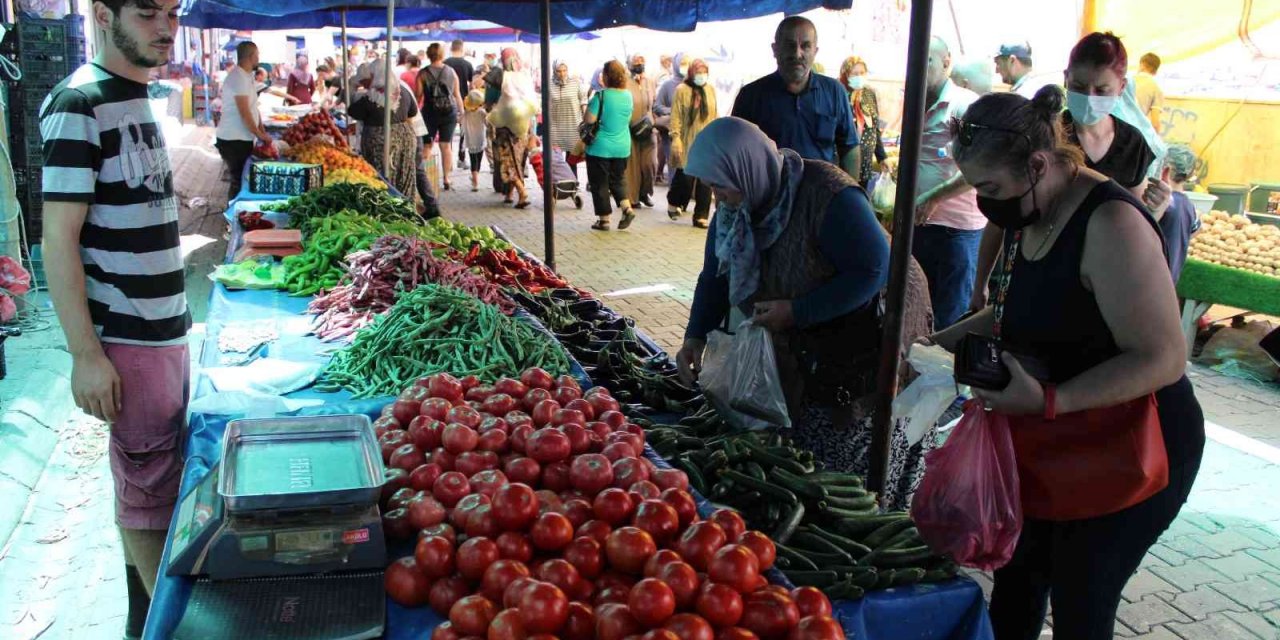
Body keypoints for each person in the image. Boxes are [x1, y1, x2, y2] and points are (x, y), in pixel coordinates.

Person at [932, 86, 1203, 640]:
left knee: (1084, 596)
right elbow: (1010, 312)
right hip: (1063, 438)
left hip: (1140, 446)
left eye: (990, 187)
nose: (986, 202)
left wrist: (1053, 400)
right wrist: (929, 347)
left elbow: (1165, 357)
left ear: (1037, 163)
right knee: (1018, 580)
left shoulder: (1110, 225)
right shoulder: (1034, 207)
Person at [675, 118, 936, 509]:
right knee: (805, 426)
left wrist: (799, 311)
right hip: (810, 332)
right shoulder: (736, 207)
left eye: (718, 185)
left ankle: (869, 513)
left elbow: (872, 269)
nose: (716, 197)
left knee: (854, 433)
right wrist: (694, 335)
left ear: (746, 167)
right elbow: (713, 275)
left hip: (873, 320)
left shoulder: (829, 195)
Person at [40, 2, 187, 637]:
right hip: (127, 334)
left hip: (166, 325)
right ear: (104, 14)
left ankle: (143, 615)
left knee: (156, 478)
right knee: (149, 486)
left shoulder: (139, 94)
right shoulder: (80, 102)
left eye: (174, 12)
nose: (166, 26)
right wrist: (85, 354)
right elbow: (56, 239)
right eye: (148, 11)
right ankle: (164, 626)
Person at [971, 32, 1173, 311]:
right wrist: (980, 283)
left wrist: (1156, 210)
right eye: (1078, 86)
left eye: (1101, 90)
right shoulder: (1045, 137)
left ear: (1122, 86)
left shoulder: (1132, 144)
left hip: (1099, 284)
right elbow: (1001, 215)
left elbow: (1133, 221)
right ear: (1066, 78)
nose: (1089, 98)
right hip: (1035, 274)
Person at [912, 36, 985, 331]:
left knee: (949, 313)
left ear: (946, 62)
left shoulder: (964, 105)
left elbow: (980, 166)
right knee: (919, 304)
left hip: (955, 232)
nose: (917, 66)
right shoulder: (915, 102)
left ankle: (942, 372)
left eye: (926, 59)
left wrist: (933, 197)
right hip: (920, 225)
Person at [731, 16, 860, 175]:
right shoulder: (751, 96)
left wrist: (850, 191)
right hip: (769, 196)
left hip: (821, 195)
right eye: (789, 45)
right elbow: (735, 151)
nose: (797, 54)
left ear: (815, 51)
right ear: (775, 49)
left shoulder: (834, 92)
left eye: (805, 46)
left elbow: (849, 148)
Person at [349, 64, 421, 203]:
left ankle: (388, 207)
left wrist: (352, 89)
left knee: (383, 179)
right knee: (404, 175)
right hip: (405, 137)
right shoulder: (403, 91)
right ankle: (406, 208)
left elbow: (353, 111)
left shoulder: (372, 97)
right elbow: (413, 111)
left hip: (381, 140)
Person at [214, 42, 272, 201]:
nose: (258, 59)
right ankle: (232, 219)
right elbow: (245, 113)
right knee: (238, 180)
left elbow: (254, 108)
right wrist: (260, 135)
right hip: (233, 140)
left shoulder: (247, 77)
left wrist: (262, 130)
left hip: (242, 137)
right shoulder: (237, 78)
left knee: (241, 178)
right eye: (257, 56)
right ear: (251, 57)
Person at [583, 61, 635, 231]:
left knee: (600, 183)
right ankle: (627, 208)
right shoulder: (628, 95)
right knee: (618, 179)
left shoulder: (600, 96)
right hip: (622, 146)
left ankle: (604, 220)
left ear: (606, 76)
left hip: (600, 147)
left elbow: (589, 120)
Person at [667, 58, 718, 228]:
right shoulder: (682, 90)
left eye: (704, 72)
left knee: (705, 179)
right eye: (698, 72)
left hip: (706, 140)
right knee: (685, 177)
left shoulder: (710, 89)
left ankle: (701, 216)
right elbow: (676, 115)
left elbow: (714, 113)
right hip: (687, 139)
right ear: (691, 73)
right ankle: (674, 202)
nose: (701, 76)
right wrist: (675, 137)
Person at [487, 48, 539, 209]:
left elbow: (489, 101)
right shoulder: (525, 78)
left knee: (506, 160)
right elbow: (533, 106)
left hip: (503, 127)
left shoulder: (498, 78)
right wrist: (533, 132)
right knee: (519, 159)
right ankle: (510, 194)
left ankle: (522, 193)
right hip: (524, 126)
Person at [417, 43, 464, 192]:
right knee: (446, 146)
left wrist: (413, 113)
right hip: (449, 112)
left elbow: (417, 96)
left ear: (428, 55)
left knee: (427, 145)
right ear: (442, 55)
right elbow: (457, 94)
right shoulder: (451, 72)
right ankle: (446, 178)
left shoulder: (423, 74)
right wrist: (461, 112)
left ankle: (426, 178)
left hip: (429, 113)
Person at [838, 55, 887, 185]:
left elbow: (875, 129)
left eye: (862, 73)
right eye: (855, 74)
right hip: (843, 164)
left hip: (865, 165)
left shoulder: (869, 94)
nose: (859, 77)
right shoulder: (839, 94)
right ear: (846, 75)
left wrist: (882, 157)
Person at [1160, 144, 1202, 282]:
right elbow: (1198, 229)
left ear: (1165, 169)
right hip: (1171, 278)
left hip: (1154, 277)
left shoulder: (1163, 203)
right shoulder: (1188, 205)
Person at [625, 54, 657, 209]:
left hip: (647, 128)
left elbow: (654, 104)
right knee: (632, 166)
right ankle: (633, 197)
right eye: (636, 61)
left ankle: (645, 192)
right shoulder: (624, 81)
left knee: (649, 163)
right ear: (629, 63)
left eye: (642, 60)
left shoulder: (649, 81)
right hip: (629, 128)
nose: (639, 63)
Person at [547, 60, 588, 178]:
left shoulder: (575, 82)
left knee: (572, 159)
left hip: (573, 126)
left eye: (564, 70)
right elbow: (546, 104)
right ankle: (558, 184)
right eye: (559, 71)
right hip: (555, 126)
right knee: (556, 159)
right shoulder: (549, 84)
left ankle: (573, 184)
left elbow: (583, 101)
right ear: (554, 71)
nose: (562, 74)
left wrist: (585, 121)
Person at [654, 53, 687, 185]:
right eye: (682, 63)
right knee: (674, 166)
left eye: (686, 64)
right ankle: (673, 201)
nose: (684, 67)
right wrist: (673, 111)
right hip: (670, 133)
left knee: (687, 167)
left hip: (688, 133)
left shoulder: (693, 85)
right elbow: (657, 106)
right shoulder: (668, 85)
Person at [444, 39, 475, 169]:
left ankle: (448, 160)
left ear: (451, 48)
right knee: (463, 131)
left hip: (447, 101)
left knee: (448, 131)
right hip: (463, 100)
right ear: (462, 48)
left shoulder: (445, 63)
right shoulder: (467, 64)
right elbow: (472, 84)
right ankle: (461, 159)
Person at [461, 90, 489, 192]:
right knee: (479, 160)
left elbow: (460, 121)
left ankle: (475, 181)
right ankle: (475, 178)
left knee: (473, 160)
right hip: (480, 139)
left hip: (470, 140)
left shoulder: (466, 113)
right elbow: (487, 123)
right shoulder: (482, 112)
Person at [1135, 52, 1165, 132]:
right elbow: (1155, 123)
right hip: (1135, 131)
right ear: (1156, 71)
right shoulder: (1156, 89)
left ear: (1141, 65)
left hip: (1114, 129)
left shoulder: (1124, 81)